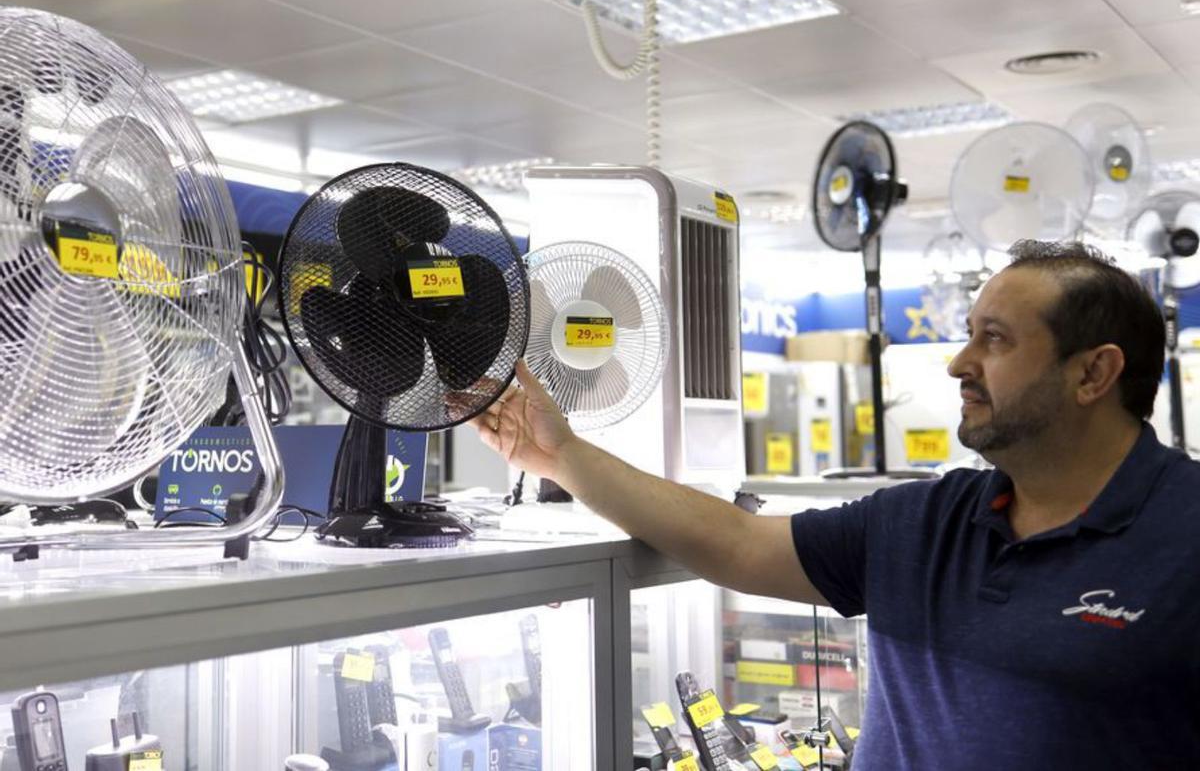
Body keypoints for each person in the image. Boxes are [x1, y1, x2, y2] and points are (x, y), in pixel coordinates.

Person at [471, 240, 1200, 768]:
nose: (958, 363)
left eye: (995, 340)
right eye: (968, 334)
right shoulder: (930, 518)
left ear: (1093, 373)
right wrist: (558, 455)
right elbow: (737, 542)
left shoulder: (1187, 529)